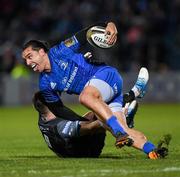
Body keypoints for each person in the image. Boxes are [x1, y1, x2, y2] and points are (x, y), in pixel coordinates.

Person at [22, 21, 166, 159]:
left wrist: (109, 24)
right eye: (25, 60)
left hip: (106, 75)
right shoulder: (45, 84)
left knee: (86, 98)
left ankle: (121, 120)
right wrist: (84, 120)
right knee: (122, 130)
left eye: (30, 57)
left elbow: (86, 34)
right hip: (102, 96)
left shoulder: (60, 51)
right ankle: (152, 150)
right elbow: (59, 110)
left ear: (41, 52)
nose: (28, 63)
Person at [32, 91, 139, 158]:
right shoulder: (59, 126)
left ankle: (122, 104)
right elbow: (90, 127)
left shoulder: (44, 115)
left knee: (95, 111)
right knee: (100, 117)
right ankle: (124, 119)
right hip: (86, 151)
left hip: (68, 148)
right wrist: (114, 120)